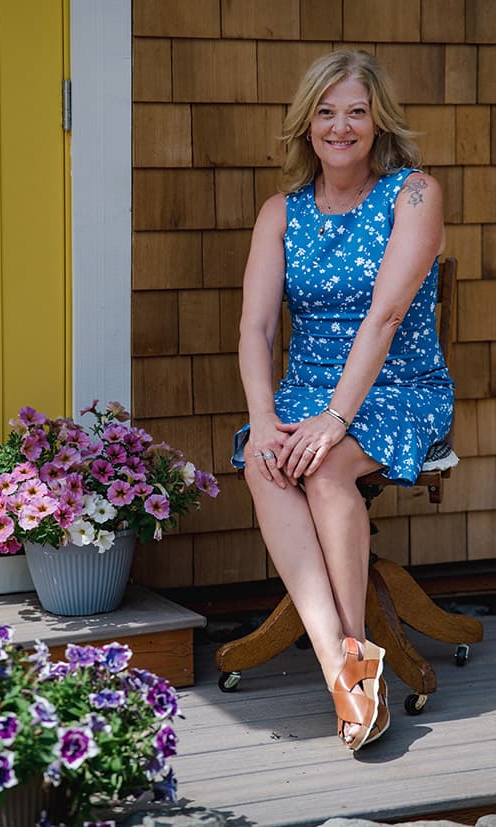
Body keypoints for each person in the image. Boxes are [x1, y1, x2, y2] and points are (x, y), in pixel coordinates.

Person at [232, 49, 454, 751]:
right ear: (306, 124)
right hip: (306, 391)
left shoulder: (413, 193)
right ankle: (345, 665)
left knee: (325, 467)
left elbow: (385, 318)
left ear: (377, 119)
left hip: (398, 386)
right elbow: (256, 326)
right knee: (264, 459)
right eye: (326, 111)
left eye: (356, 110)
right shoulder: (280, 212)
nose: (341, 126)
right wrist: (266, 418)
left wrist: (336, 418)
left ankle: (358, 658)